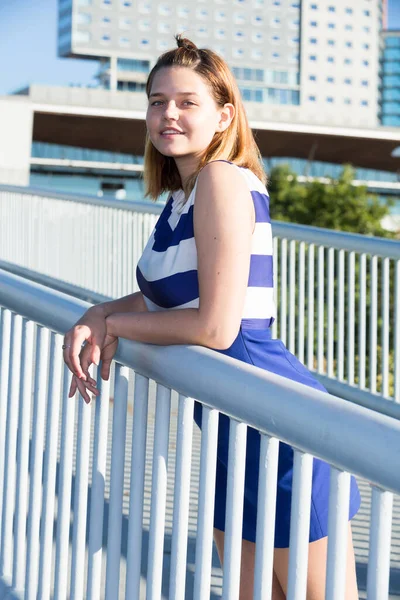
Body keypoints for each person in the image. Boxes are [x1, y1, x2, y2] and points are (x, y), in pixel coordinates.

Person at [62, 35, 361, 599]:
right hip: (228, 429)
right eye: (156, 100)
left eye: (186, 101)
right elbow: (157, 301)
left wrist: (114, 327)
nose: (167, 113)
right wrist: (98, 313)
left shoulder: (223, 180)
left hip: (276, 424)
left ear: (224, 115)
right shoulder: (182, 196)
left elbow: (217, 327)